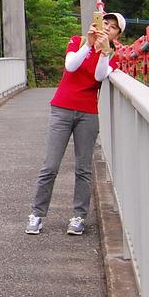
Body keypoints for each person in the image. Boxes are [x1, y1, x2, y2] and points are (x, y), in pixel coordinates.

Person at [25, 12, 124, 236]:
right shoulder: (77, 41)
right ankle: (37, 215)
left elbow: (99, 77)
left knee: (83, 169)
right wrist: (89, 44)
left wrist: (104, 52)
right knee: (50, 166)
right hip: (61, 109)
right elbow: (71, 66)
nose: (107, 28)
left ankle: (79, 217)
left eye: (113, 27)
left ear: (118, 35)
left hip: (88, 113)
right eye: (105, 23)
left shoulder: (114, 57)